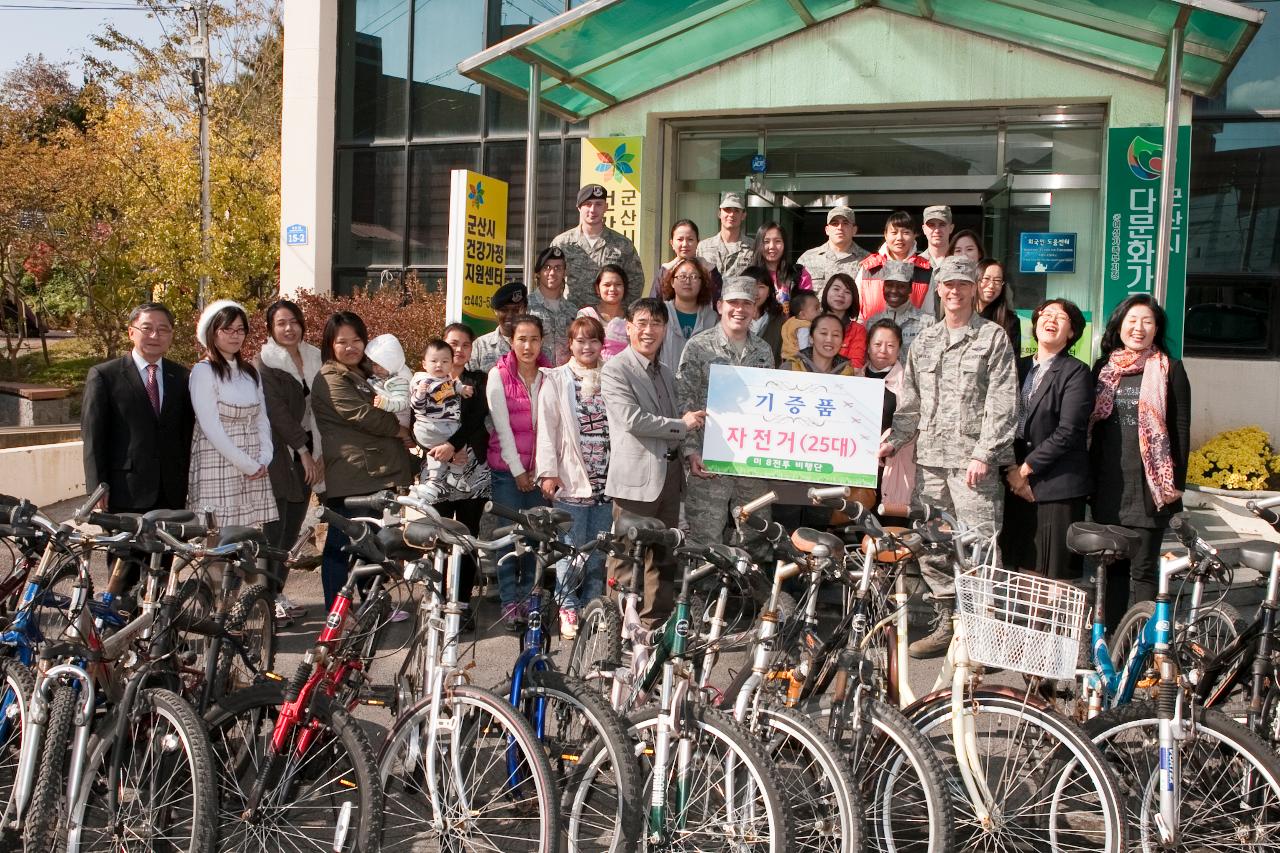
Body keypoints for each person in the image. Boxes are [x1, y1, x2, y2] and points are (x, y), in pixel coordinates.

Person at [880, 256, 1018, 658]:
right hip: (932, 462)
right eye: (948, 285)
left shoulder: (992, 338)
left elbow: (1004, 403)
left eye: (963, 284)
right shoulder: (925, 340)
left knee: (978, 545)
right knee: (934, 542)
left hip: (973, 465)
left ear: (975, 289)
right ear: (937, 290)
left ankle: (982, 635)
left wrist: (984, 453)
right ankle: (946, 620)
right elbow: (912, 402)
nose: (954, 291)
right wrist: (897, 439)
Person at [1088, 294, 1191, 631]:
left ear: (1156, 328)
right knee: (1113, 567)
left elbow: (1180, 428)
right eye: (1132, 320)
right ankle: (1116, 643)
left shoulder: (1170, 369)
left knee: (1144, 569)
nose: (1139, 327)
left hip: (1151, 488)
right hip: (1109, 486)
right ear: (1119, 325)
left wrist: (1175, 485)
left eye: (1147, 321)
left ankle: (1143, 647)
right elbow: (1093, 430)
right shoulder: (1103, 369)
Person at [81, 301, 194, 605]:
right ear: (131, 332)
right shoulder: (105, 375)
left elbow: (186, 435)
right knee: (124, 572)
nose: (155, 335)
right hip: (124, 494)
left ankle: (158, 640)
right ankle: (118, 637)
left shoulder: (181, 377)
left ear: (171, 336)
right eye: (147, 328)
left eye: (163, 329)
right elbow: (93, 437)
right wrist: (97, 487)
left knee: (165, 571)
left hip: (171, 491)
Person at [601, 298, 705, 626]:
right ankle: (614, 632)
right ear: (629, 327)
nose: (649, 331)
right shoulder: (616, 369)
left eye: (657, 324)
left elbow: (677, 419)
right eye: (642, 323)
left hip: (669, 479)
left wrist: (689, 449)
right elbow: (634, 420)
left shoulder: (666, 373)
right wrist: (682, 425)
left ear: (665, 329)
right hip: (635, 481)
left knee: (662, 559)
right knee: (624, 559)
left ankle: (653, 626)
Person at [312, 311, 416, 607]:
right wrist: (399, 429)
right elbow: (362, 415)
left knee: (369, 543)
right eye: (342, 341)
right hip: (352, 475)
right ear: (330, 345)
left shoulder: (365, 374)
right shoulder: (331, 377)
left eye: (356, 340)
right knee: (339, 546)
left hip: (373, 473)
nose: (350, 347)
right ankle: (336, 610)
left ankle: (373, 603)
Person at [677, 276, 777, 566]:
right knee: (704, 541)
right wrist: (691, 451)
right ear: (720, 306)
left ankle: (752, 606)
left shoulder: (763, 351)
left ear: (755, 310)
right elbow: (686, 402)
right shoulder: (698, 347)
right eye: (733, 302)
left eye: (747, 303)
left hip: (749, 464)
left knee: (756, 537)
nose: (740, 309)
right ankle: (697, 605)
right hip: (710, 461)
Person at [1000, 298, 1093, 579]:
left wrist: (1026, 470)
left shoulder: (1076, 372)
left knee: (1050, 578)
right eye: (1046, 314)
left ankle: (1051, 626)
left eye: (1061, 317)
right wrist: (1012, 472)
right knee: (1019, 568)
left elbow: (1069, 431)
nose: (1051, 320)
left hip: (1056, 485)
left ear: (1072, 333)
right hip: (1015, 484)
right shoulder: (1017, 366)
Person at [536, 316, 612, 639]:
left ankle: (594, 605)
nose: (587, 347)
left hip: (606, 480)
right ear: (570, 344)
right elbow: (547, 428)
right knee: (571, 548)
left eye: (593, 340)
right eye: (580, 340)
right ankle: (567, 605)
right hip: (571, 478)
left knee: (598, 548)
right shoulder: (556, 379)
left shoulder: (611, 376)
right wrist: (548, 472)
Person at [255, 299, 324, 620]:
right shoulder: (265, 362)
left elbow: (322, 406)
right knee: (275, 529)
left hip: (309, 451)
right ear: (270, 328)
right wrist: (305, 451)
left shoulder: (313, 356)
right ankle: (265, 597)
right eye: (281, 323)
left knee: (293, 525)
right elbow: (277, 414)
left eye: (293, 321)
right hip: (280, 453)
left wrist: (318, 452)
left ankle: (277, 592)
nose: (288, 328)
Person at [187, 299, 276, 534]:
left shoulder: (250, 372)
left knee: (247, 538)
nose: (235, 336)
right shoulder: (203, 372)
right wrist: (247, 464)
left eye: (240, 330)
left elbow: (261, 418)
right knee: (217, 538)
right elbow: (211, 427)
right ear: (212, 333)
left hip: (254, 461)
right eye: (227, 329)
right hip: (219, 462)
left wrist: (265, 457)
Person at [486, 314, 550, 629]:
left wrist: (540, 469)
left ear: (542, 341)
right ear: (512, 341)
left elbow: (554, 426)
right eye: (521, 339)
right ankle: (509, 600)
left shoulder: (551, 375)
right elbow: (502, 428)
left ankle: (529, 598)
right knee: (509, 537)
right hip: (507, 472)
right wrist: (518, 471)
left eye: (534, 339)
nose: (528, 345)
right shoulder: (498, 376)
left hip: (541, 473)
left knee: (535, 538)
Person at [428, 323, 491, 624]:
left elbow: (477, 417)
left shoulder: (477, 380)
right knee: (438, 537)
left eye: (466, 344)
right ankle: (437, 602)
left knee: (467, 538)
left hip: (472, 468)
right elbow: (418, 420)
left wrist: (454, 445)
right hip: (437, 467)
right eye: (454, 343)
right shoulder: (427, 382)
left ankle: (462, 605)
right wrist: (443, 448)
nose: (459, 350)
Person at [775, 311, 860, 531]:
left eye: (836, 335)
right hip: (789, 468)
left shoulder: (851, 377)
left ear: (842, 340)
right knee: (785, 532)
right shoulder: (789, 368)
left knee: (818, 534)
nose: (829, 340)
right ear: (811, 337)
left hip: (826, 470)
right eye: (823, 333)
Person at [551, 183, 645, 307]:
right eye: (588, 204)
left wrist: (620, 311)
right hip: (572, 317)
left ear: (606, 207)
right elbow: (551, 279)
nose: (593, 210)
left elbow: (636, 281)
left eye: (598, 204)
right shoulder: (562, 243)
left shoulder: (622, 244)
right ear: (579, 207)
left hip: (609, 318)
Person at [862, 319, 916, 513]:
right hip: (859, 467)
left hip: (895, 467)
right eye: (877, 344)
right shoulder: (853, 378)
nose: (883, 350)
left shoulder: (909, 384)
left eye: (890, 345)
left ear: (899, 348)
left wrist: (890, 441)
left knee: (892, 531)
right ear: (867, 347)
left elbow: (914, 423)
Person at [410, 339, 473, 502]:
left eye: (445, 361)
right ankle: (445, 478)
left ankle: (441, 479)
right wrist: (421, 393)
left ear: (451, 364)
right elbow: (416, 405)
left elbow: (455, 386)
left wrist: (463, 389)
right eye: (434, 361)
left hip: (444, 426)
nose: (439, 365)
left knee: (447, 451)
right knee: (448, 449)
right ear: (424, 364)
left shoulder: (448, 379)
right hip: (431, 426)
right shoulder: (423, 381)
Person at [856, 211, 932, 322]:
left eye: (906, 232)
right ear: (885, 235)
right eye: (894, 232)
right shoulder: (869, 267)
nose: (899, 238)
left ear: (914, 235)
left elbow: (929, 313)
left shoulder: (924, 270)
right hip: (872, 336)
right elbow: (856, 313)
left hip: (914, 337)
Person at [658, 255, 717, 376]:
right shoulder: (660, 313)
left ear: (702, 283)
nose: (687, 281)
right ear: (672, 282)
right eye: (682, 276)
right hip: (665, 386)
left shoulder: (712, 318)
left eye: (694, 277)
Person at [865, 258, 934, 356]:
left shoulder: (927, 323)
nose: (894, 290)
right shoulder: (872, 322)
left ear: (910, 289)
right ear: (883, 287)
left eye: (901, 286)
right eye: (889, 285)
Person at [797, 205, 870, 297]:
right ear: (827, 230)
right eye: (835, 223)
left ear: (854, 230)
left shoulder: (868, 261)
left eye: (845, 223)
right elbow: (797, 297)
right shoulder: (807, 258)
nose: (840, 227)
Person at [526, 246, 578, 367]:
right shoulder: (526, 306)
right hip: (536, 375)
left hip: (565, 377)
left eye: (558, 268)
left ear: (564, 272)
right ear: (538, 273)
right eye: (547, 268)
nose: (552, 273)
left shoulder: (573, 310)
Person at [648, 219, 720, 300]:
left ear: (697, 242)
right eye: (680, 239)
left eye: (690, 239)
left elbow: (717, 302)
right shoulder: (665, 272)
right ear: (672, 243)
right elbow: (654, 304)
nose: (685, 244)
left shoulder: (709, 270)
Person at [748, 221, 811, 310]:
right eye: (766, 241)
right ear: (759, 244)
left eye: (778, 241)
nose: (772, 246)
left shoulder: (799, 274)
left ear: (785, 244)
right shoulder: (748, 276)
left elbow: (807, 309)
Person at [467, 282, 527, 373]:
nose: (510, 315)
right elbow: (468, 381)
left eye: (516, 310)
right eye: (504, 310)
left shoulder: (533, 344)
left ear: (525, 310)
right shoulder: (480, 345)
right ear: (495, 311)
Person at [575, 264, 630, 361]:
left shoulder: (632, 318)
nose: (612, 289)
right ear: (597, 288)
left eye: (618, 284)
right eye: (607, 285)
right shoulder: (586, 315)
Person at [697, 191, 754, 279]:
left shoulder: (753, 247)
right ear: (719, 213)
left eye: (736, 211)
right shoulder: (703, 247)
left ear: (743, 215)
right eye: (727, 209)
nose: (731, 214)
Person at [819, 272, 867, 369]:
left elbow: (856, 365)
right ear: (826, 291)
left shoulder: (858, 331)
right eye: (836, 289)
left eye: (847, 292)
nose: (841, 294)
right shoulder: (810, 323)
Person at [365, 334, 413, 429]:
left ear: (393, 362)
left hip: (399, 421)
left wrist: (385, 404)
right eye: (374, 364)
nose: (377, 369)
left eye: (382, 364)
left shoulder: (399, 381)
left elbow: (403, 403)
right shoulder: (385, 375)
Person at [743, 265, 786, 365]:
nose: (756, 292)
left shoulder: (779, 321)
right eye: (751, 285)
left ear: (769, 292)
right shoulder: (733, 318)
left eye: (761, 287)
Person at [977, 258, 1021, 356]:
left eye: (997, 280)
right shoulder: (962, 315)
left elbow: (1013, 361)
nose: (991, 285)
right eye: (986, 279)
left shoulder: (1011, 321)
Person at [919, 204, 956, 315]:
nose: (937, 230)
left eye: (942, 224)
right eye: (931, 225)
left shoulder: (961, 264)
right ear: (924, 229)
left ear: (951, 228)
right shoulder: (915, 264)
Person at [780, 290, 821, 362]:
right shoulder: (804, 326)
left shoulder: (791, 322)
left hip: (787, 356)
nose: (820, 312)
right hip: (798, 359)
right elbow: (804, 347)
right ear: (803, 315)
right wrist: (807, 361)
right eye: (816, 309)